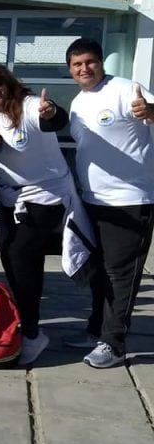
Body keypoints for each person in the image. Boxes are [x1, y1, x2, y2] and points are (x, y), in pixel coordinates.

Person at [0, 63, 73, 365]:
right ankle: (26, 324)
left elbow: (53, 120)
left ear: (8, 82)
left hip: (45, 196)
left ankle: (31, 333)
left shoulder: (29, 106)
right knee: (11, 262)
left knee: (23, 259)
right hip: (10, 198)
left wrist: (51, 112)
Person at [65, 38, 154, 368]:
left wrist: (151, 112)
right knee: (99, 271)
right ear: (70, 71)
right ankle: (96, 331)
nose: (84, 68)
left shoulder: (127, 90)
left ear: (101, 62)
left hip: (130, 200)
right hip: (93, 200)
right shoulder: (77, 103)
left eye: (89, 61)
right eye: (77, 65)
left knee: (121, 273)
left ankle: (114, 343)